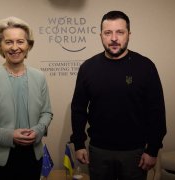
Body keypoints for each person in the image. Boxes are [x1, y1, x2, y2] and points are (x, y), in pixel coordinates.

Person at [70, 10, 166, 180]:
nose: (114, 38)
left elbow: (156, 111)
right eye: (108, 33)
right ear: (101, 35)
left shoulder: (145, 67)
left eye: (120, 32)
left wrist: (152, 149)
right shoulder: (88, 68)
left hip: (135, 152)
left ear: (129, 34)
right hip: (98, 151)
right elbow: (78, 109)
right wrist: (79, 144)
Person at [0, 16, 53, 180]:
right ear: (0, 46)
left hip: (32, 157)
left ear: (28, 45)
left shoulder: (39, 77)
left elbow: (47, 113)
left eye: (20, 41)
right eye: (8, 42)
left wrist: (37, 132)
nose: (15, 47)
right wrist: (9, 135)